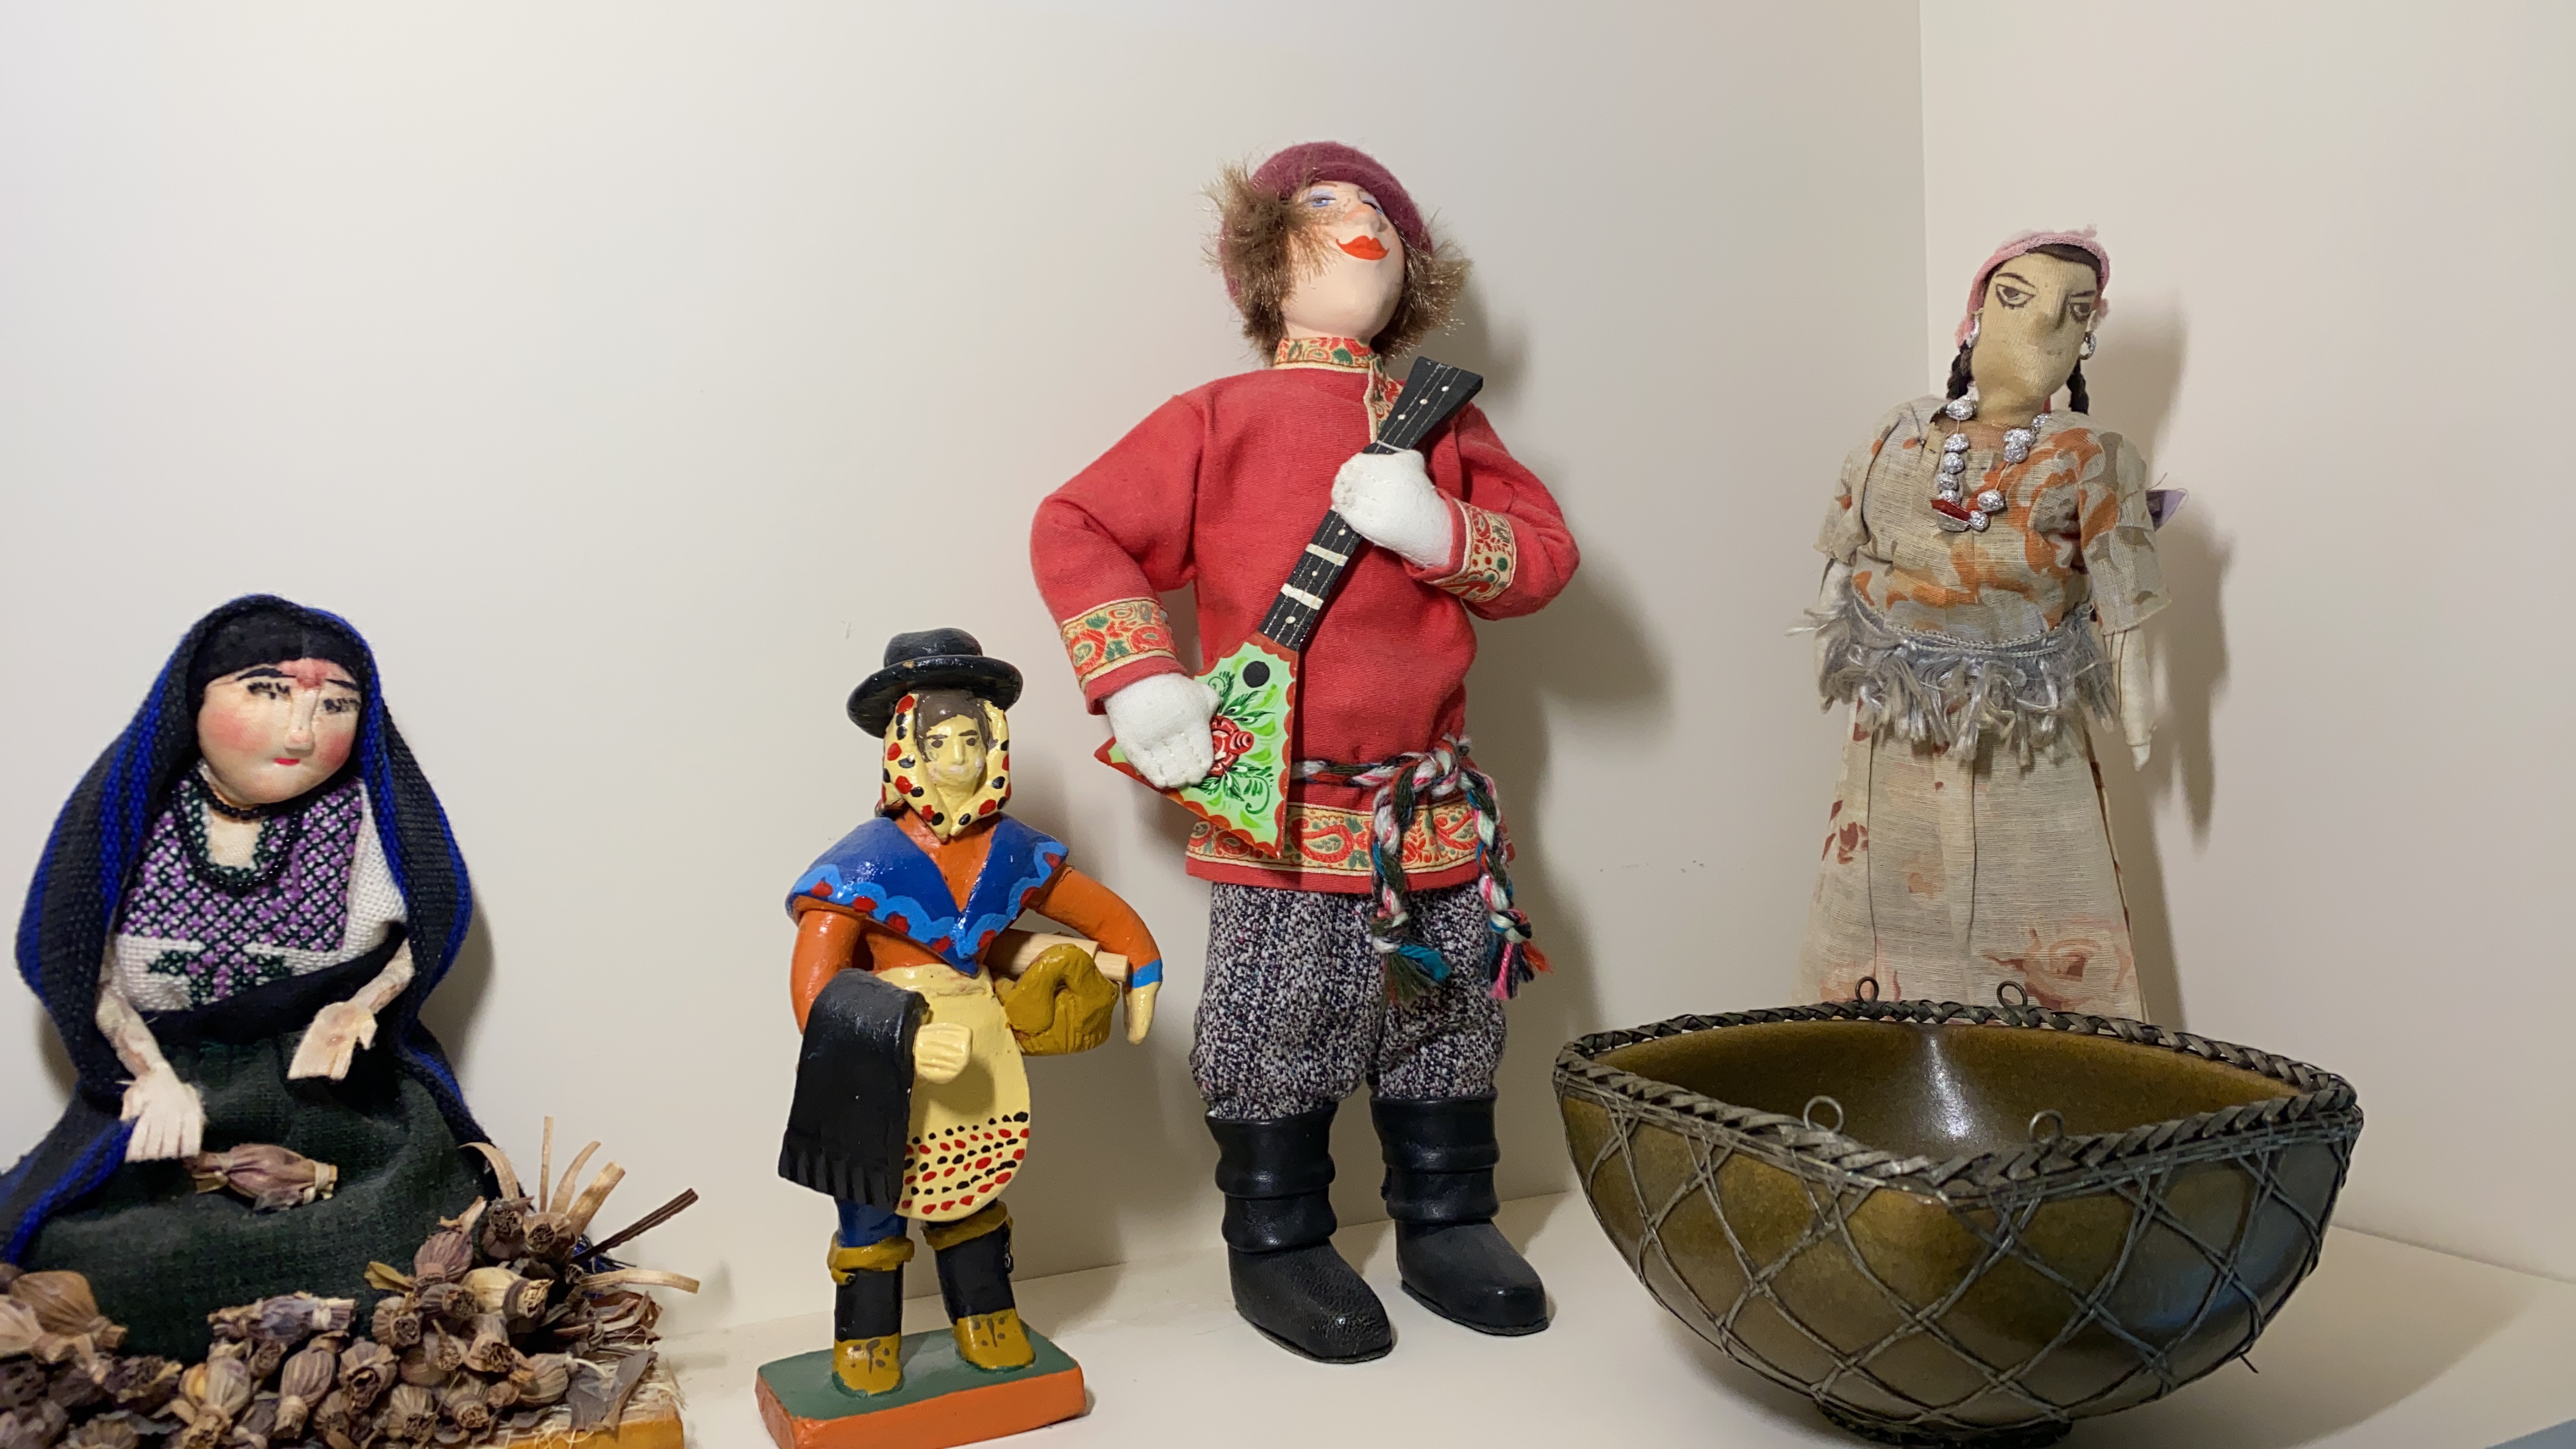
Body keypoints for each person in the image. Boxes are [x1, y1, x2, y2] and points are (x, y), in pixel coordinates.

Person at [1028, 143, 1578, 1362]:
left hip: (1435, 805)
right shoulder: (1215, 419)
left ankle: (1448, 1219)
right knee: (1275, 1023)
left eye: (1378, 208)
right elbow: (1076, 525)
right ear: (1265, 254)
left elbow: (1542, 558)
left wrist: (1438, 528)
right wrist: (1138, 676)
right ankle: (1275, 1241)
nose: (1359, 219)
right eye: (1326, 204)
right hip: (1278, 805)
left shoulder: (1448, 420)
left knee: (1453, 1013)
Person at [3, 596, 487, 1356]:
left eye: (335, 705)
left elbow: (425, 927)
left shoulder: (362, 821)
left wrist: (360, 1008)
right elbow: (75, 958)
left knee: (407, 1217)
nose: (301, 731)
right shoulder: (142, 818)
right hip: (179, 1094)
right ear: (191, 702)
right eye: (267, 692)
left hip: (324, 1095)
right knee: (98, 1254)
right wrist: (147, 1075)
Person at [778, 628, 1162, 1396]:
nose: (958, 756)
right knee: (871, 1208)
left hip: (978, 1059)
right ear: (905, 751)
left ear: (996, 745)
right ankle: (866, 1341)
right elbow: (814, 988)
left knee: (972, 1196)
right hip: (873, 1072)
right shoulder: (860, 861)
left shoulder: (1011, 850)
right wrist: (900, 1040)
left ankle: (987, 1321)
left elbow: (1097, 911)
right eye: (940, 741)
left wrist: (1140, 963)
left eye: (971, 739)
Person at [1802, 229, 2167, 1017]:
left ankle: (2045, 1069)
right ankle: (1879, 1060)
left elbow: (2121, 586)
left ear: (2088, 336)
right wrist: (1838, 629)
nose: (2045, 324)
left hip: (2026, 719)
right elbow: (1847, 545)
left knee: (2038, 903)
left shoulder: (2094, 453)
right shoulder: (1901, 431)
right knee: (1884, 904)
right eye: (2017, 297)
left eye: (2076, 311)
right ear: (1976, 314)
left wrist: (2135, 689)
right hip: (1898, 711)